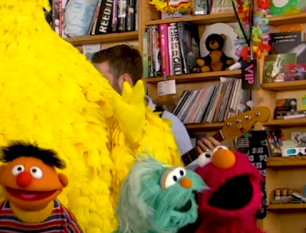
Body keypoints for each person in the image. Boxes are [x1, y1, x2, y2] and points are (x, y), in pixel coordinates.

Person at [90, 45, 220, 156]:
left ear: (125, 82)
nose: (94, 86)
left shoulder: (168, 124)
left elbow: (188, 176)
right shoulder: (96, 120)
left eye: (101, 80)